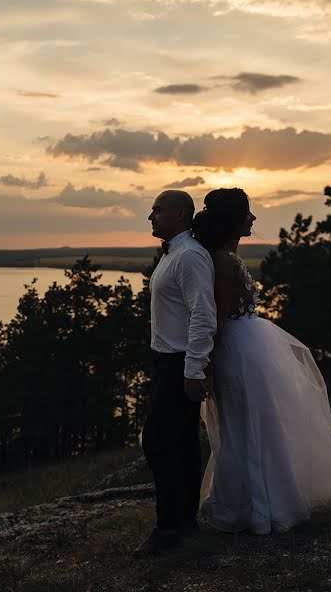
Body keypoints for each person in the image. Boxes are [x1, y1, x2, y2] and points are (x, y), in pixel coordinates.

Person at [192, 187, 331, 535]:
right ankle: (248, 506)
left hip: (251, 349)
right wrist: (206, 363)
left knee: (257, 426)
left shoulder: (228, 257)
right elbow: (216, 319)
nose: (253, 219)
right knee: (243, 427)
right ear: (234, 220)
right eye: (248, 213)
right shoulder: (222, 261)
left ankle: (253, 502)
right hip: (238, 352)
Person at [133, 189, 217, 557]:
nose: (151, 216)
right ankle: (184, 522)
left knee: (156, 440)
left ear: (181, 215)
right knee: (182, 439)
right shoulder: (175, 254)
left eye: (157, 210)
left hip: (180, 362)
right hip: (167, 361)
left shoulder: (190, 257)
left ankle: (168, 528)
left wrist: (194, 368)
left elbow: (203, 314)